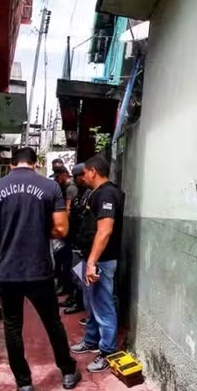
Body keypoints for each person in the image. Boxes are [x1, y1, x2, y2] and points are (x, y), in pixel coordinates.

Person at [0, 147, 80, 391]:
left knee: (12, 327)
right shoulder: (50, 187)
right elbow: (61, 229)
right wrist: (39, 232)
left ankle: (24, 385)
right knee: (52, 323)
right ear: (34, 164)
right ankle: (68, 371)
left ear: (12, 164)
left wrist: (4, 233)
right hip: (38, 270)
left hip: (6, 271)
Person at [76, 156, 125, 373]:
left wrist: (92, 262)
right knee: (92, 303)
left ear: (93, 171)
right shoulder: (95, 193)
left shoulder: (107, 194)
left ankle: (107, 352)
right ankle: (91, 340)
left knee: (103, 305)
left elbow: (105, 231)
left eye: (85, 172)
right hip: (92, 258)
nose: (83, 176)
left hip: (101, 261)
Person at [64, 163, 92, 317]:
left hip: (83, 242)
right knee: (76, 272)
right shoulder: (81, 193)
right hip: (76, 239)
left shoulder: (89, 193)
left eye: (77, 176)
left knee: (80, 275)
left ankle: (80, 303)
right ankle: (76, 299)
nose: (76, 180)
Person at [50, 166, 77, 299]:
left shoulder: (70, 188)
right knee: (61, 260)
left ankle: (68, 288)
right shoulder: (64, 187)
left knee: (67, 261)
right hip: (67, 230)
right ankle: (65, 286)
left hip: (69, 231)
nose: (56, 179)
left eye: (58, 176)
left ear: (64, 174)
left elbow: (68, 209)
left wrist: (60, 225)